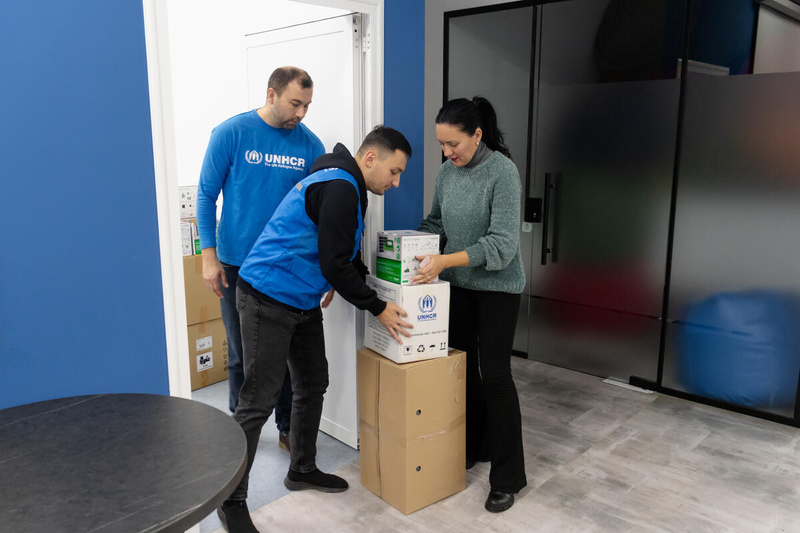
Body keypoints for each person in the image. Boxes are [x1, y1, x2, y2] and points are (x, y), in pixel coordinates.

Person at [217, 126, 414, 533]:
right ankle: (231, 501)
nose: (395, 183)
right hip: (267, 296)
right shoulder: (341, 186)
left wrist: (379, 289)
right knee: (257, 401)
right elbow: (335, 266)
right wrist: (378, 307)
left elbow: (344, 257)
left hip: (300, 299)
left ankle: (302, 468)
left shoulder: (346, 184)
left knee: (313, 382)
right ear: (371, 158)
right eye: (394, 172)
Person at [197, 66, 325, 453]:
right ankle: (238, 433)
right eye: (295, 103)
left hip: (286, 269)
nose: (301, 113)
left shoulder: (310, 146)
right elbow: (205, 196)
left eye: (307, 105)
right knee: (241, 355)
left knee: (285, 357)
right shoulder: (231, 133)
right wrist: (209, 256)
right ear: (271, 95)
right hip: (236, 264)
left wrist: (325, 270)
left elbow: (320, 211)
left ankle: (287, 428)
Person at [415, 97, 527, 513]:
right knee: (462, 369)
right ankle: (476, 445)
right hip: (459, 285)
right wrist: (412, 244)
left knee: (495, 375)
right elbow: (436, 223)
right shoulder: (447, 172)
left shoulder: (503, 173)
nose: (447, 153)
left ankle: (508, 476)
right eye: (442, 145)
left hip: (499, 287)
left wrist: (445, 259)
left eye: (454, 144)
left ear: (477, 135)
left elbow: (502, 244)